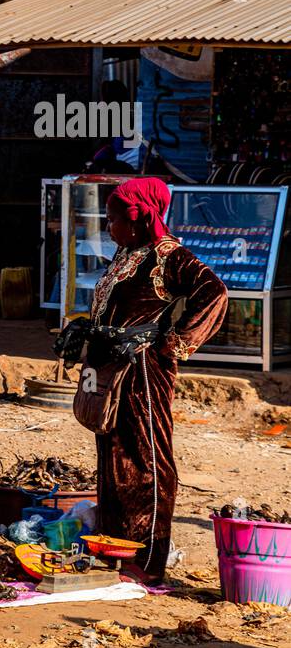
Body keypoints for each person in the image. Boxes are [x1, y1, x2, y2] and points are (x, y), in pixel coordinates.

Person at [87, 177, 227, 584]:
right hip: (114, 369)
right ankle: (115, 549)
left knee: (147, 459)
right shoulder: (127, 252)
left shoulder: (170, 257)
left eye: (113, 219)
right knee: (114, 456)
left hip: (145, 372)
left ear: (139, 219)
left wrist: (174, 344)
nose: (107, 225)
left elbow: (214, 293)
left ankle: (147, 562)